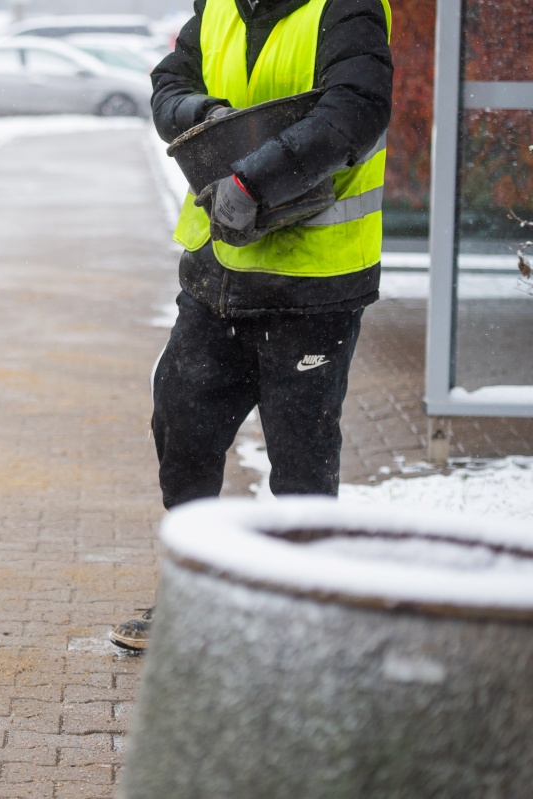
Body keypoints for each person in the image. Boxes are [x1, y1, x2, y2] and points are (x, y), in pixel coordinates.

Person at [110, 0, 392, 650]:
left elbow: (356, 110)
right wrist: (200, 115)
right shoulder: (217, 9)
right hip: (220, 275)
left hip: (312, 287)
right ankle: (196, 596)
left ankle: (303, 621)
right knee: (181, 423)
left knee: (300, 461)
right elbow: (166, 87)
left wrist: (255, 180)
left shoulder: (345, 8)